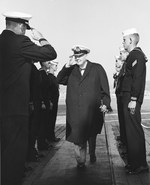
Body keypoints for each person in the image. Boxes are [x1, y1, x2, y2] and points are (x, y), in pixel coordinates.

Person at [0, 11, 57, 185]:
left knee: (3, 151)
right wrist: (41, 38)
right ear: (20, 26)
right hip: (15, 109)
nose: (25, 31)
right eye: (25, 27)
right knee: (15, 152)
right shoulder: (20, 42)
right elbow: (50, 53)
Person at [57, 45, 111, 168]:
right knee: (77, 137)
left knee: (91, 134)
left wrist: (106, 104)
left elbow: (105, 89)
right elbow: (59, 79)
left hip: (91, 111)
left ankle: (92, 153)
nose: (78, 58)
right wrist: (67, 66)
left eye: (80, 56)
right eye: (76, 56)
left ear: (86, 55)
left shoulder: (97, 68)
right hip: (75, 111)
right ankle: (80, 161)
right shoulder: (71, 70)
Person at [121, 28, 149, 174]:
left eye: (124, 40)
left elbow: (137, 79)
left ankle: (139, 165)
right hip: (128, 97)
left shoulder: (136, 55)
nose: (123, 42)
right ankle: (135, 162)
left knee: (134, 131)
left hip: (131, 99)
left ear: (130, 40)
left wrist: (133, 99)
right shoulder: (134, 55)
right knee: (131, 131)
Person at [113, 48, 129, 148]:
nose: (116, 65)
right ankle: (123, 136)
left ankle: (125, 138)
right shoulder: (120, 72)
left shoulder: (125, 69)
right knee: (121, 118)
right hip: (119, 96)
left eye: (118, 62)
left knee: (124, 119)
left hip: (123, 96)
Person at [46, 60, 60, 142]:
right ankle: (50, 137)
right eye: (55, 65)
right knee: (50, 120)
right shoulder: (49, 77)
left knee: (52, 120)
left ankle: (51, 136)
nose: (56, 67)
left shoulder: (53, 77)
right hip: (51, 102)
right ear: (51, 66)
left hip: (55, 102)